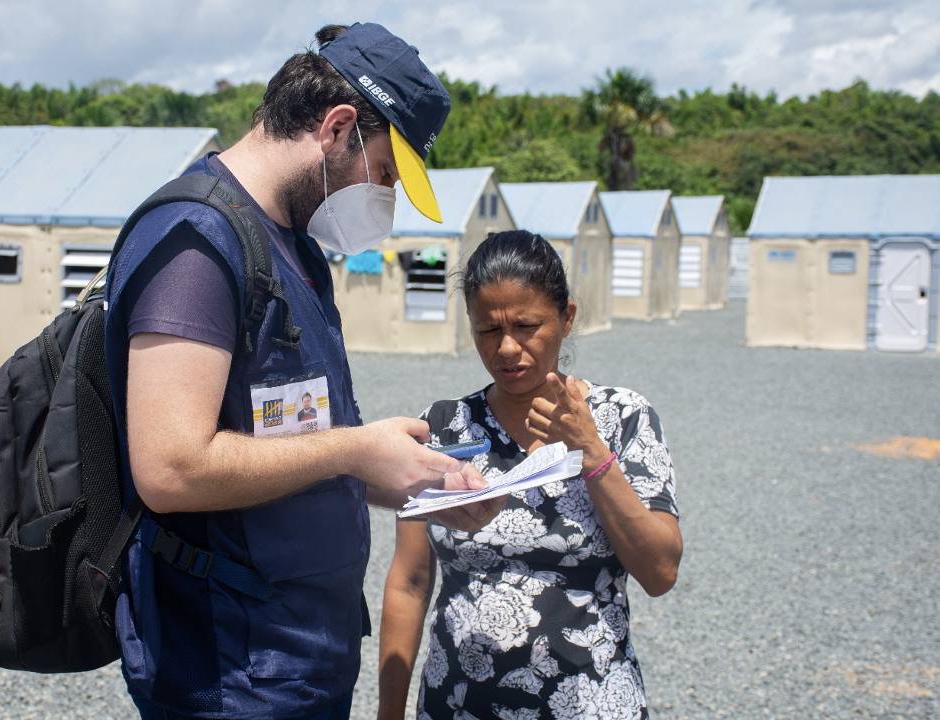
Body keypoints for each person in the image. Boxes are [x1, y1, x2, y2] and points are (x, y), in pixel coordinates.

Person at [103, 23, 503, 720]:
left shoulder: (295, 247)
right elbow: (169, 469)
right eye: (385, 174)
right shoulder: (197, 243)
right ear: (337, 128)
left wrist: (418, 482)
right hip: (233, 673)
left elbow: (299, 449)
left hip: (301, 659)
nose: (384, 199)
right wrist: (357, 448)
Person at [377, 231, 683, 720]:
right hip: (456, 704)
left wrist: (591, 453)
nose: (506, 348)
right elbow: (409, 583)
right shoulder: (445, 427)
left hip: (590, 704)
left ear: (567, 318)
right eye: (487, 329)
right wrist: (389, 711)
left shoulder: (622, 418)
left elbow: (660, 572)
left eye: (526, 326)